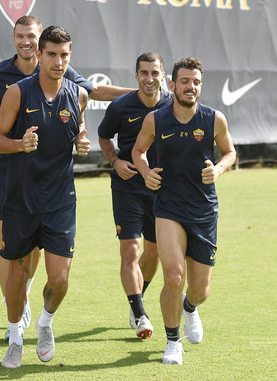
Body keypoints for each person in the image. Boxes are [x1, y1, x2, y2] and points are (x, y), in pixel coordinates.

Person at [0, 15, 133, 340]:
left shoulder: (60, 71)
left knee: (38, 249)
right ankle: (12, 313)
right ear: (14, 38)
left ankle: (26, 293)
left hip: (50, 183)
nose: (26, 41)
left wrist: (142, 91)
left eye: (31, 35)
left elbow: (93, 93)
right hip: (9, 173)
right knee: (7, 246)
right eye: (21, 36)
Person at [0, 25, 90, 369]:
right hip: (20, 201)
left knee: (60, 279)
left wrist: (82, 142)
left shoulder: (78, 95)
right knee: (18, 277)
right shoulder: (17, 92)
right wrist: (20, 144)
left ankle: (45, 324)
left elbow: (79, 130)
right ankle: (15, 336)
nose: (58, 62)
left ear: (69, 57)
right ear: (39, 55)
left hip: (60, 200)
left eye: (64, 56)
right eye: (51, 54)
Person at [132, 57, 236, 365]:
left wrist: (218, 169)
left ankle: (190, 308)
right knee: (174, 275)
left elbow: (230, 152)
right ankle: (173, 341)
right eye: (185, 81)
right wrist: (145, 171)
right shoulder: (155, 119)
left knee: (200, 289)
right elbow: (138, 151)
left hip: (204, 209)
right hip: (168, 208)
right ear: (172, 84)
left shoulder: (214, 119)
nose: (191, 87)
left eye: (196, 82)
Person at [98, 52, 173, 340]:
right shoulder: (120, 107)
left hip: (160, 190)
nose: (149, 79)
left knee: (153, 252)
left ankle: (136, 298)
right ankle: (140, 313)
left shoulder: (173, 104)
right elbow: (104, 137)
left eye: (155, 73)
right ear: (136, 76)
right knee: (131, 250)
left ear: (163, 76)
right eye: (144, 73)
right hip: (126, 187)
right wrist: (115, 161)